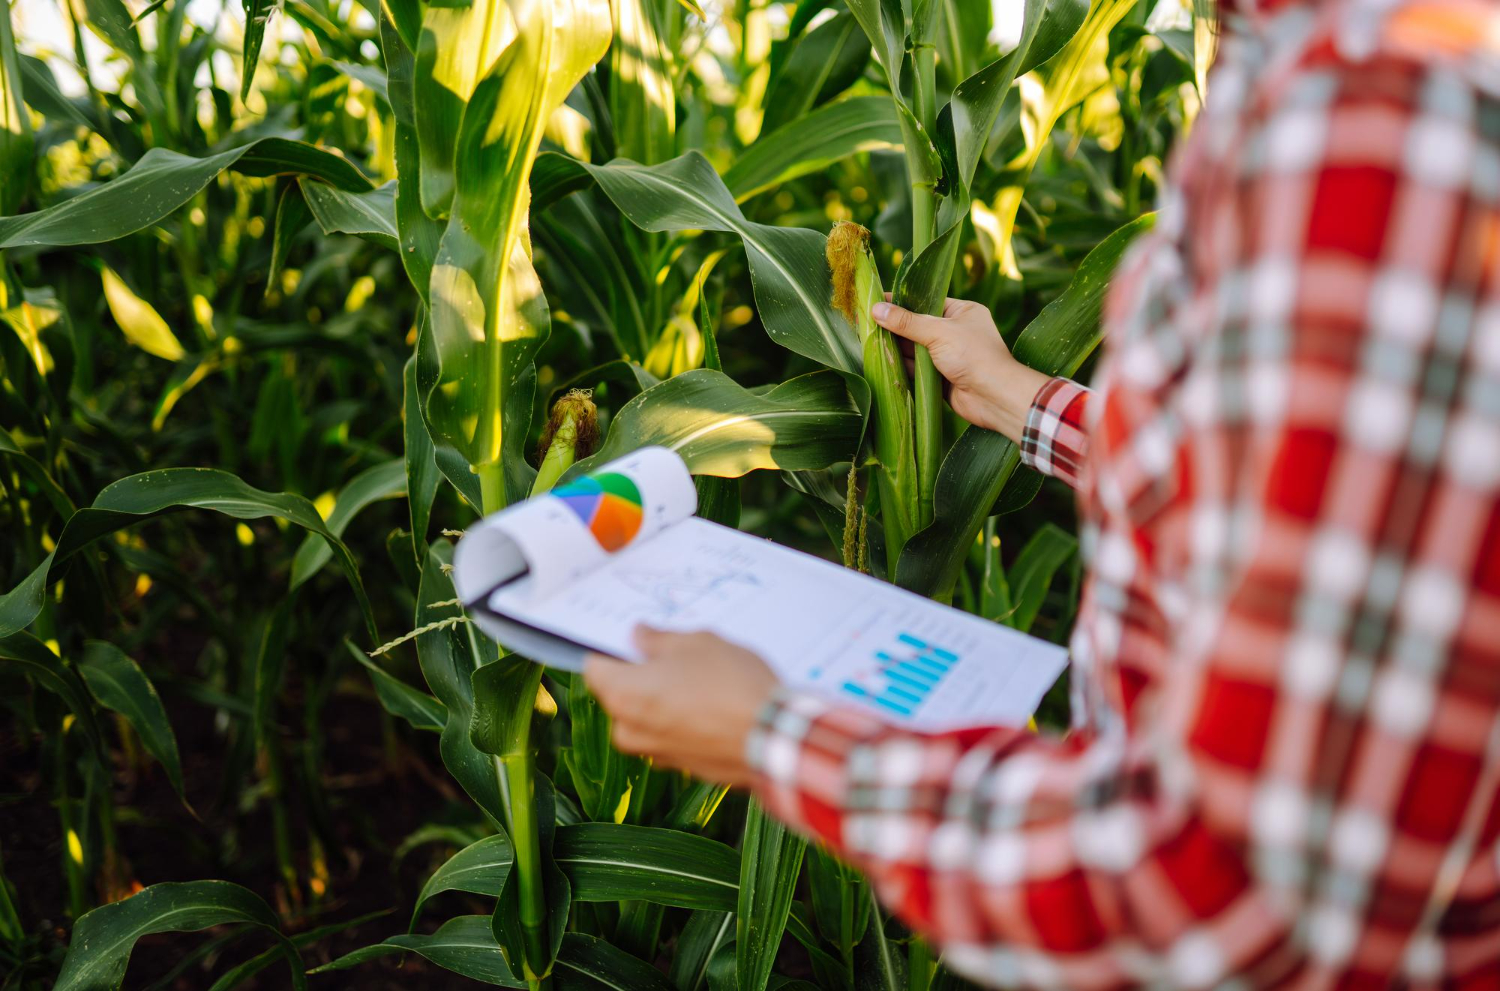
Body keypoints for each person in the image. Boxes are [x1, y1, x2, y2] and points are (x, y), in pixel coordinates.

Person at [584, 0, 1500, 985]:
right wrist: (1026, 401)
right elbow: (1297, 490)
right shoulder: (1346, 76)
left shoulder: (1380, 112)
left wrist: (777, 737)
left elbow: (1237, 888)